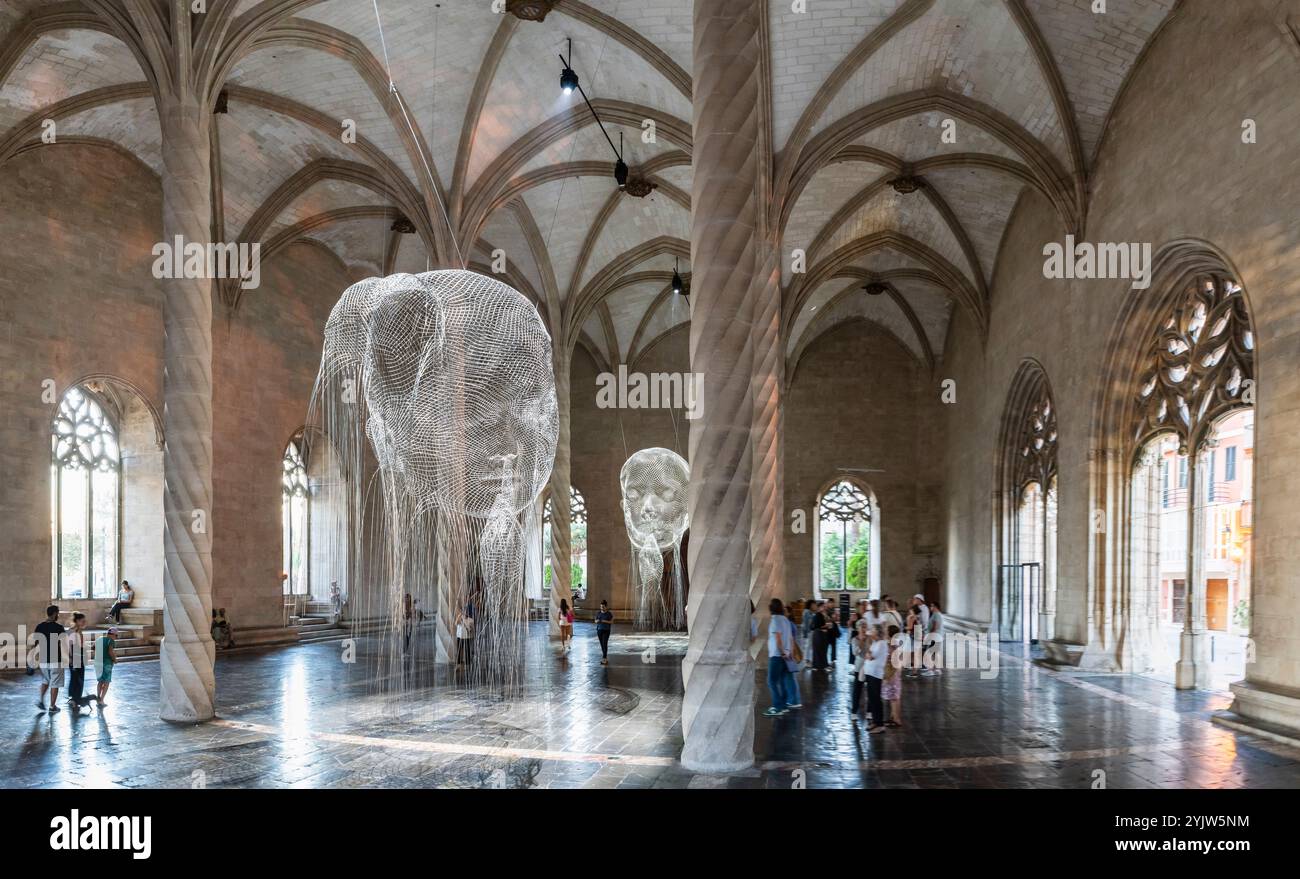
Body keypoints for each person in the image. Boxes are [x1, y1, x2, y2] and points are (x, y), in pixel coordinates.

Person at [764, 598, 798, 716]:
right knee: (782, 680)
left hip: (777, 654)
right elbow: (790, 638)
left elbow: (778, 638)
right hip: (786, 654)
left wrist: (782, 651)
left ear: (771, 607)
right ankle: (783, 706)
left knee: (771, 681)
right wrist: (789, 652)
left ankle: (777, 706)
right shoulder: (785, 619)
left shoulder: (775, 620)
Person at [33, 605, 66, 713]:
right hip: (55, 660)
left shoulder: (39, 626)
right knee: (55, 683)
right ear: (55, 613)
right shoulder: (59, 627)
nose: (58, 615)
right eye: (58, 613)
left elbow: (35, 643)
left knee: (45, 681)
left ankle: (41, 701)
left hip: (43, 660)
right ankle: (52, 706)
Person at [860, 625, 888, 733]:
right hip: (870, 673)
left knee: (876, 699)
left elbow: (870, 656)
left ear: (878, 632)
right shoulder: (875, 643)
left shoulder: (881, 644)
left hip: (876, 675)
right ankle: (875, 722)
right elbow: (866, 655)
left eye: (873, 630)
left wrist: (867, 643)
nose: (870, 631)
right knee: (871, 699)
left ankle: (880, 725)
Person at [66, 613, 92, 711]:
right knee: (75, 678)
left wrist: (90, 647)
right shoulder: (71, 631)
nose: (85, 622)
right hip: (74, 656)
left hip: (80, 655)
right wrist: (70, 658)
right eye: (82, 621)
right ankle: (74, 698)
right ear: (77, 621)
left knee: (80, 678)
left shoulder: (79, 631)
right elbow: (68, 646)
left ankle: (76, 698)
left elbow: (81, 645)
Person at [882, 624, 903, 726]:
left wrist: (889, 675)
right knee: (894, 696)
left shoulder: (891, 645)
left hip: (892, 672)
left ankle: (896, 720)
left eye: (886, 631)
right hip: (895, 672)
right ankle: (893, 716)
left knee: (894, 698)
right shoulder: (896, 643)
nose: (885, 632)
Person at [849, 624, 870, 717]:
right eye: (862, 627)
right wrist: (861, 641)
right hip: (859, 667)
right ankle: (854, 712)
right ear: (858, 629)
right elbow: (855, 653)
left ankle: (869, 712)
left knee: (870, 690)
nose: (864, 629)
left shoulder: (870, 638)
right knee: (857, 691)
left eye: (865, 627)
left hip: (869, 668)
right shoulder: (854, 640)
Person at [95, 627, 118, 706]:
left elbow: (93, 648)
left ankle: (98, 699)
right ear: (113, 634)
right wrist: (114, 659)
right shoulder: (110, 641)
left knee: (100, 681)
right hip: (106, 663)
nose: (116, 637)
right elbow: (110, 652)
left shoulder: (99, 639)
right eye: (116, 635)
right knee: (106, 681)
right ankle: (101, 700)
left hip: (98, 662)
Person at [924, 600, 946, 676]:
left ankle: (930, 670)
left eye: (931, 606)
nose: (930, 607)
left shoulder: (936, 614)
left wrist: (929, 635)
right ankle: (937, 670)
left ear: (935, 607)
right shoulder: (938, 614)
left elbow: (935, 626)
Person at [810, 601, 830, 672]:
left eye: (824, 607)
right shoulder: (817, 615)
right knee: (818, 650)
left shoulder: (822, 615)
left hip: (821, 635)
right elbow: (815, 626)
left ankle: (821, 666)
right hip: (818, 635)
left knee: (822, 650)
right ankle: (817, 666)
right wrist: (826, 626)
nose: (824, 608)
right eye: (823, 607)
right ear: (819, 607)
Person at [595, 600, 614, 665]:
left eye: (603, 607)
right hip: (599, 630)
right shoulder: (598, 613)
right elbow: (595, 621)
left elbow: (612, 622)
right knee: (602, 644)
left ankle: (604, 658)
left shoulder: (609, 614)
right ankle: (604, 656)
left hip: (606, 630)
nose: (602, 608)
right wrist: (597, 621)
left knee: (604, 643)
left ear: (606, 607)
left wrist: (604, 621)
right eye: (601, 607)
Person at [800, 600, 815, 668]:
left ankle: (809, 660)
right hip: (808, 632)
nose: (815, 606)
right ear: (810, 605)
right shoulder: (806, 612)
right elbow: (805, 623)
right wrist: (805, 634)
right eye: (813, 604)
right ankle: (806, 661)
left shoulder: (810, 612)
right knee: (807, 647)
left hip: (810, 631)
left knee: (810, 647)